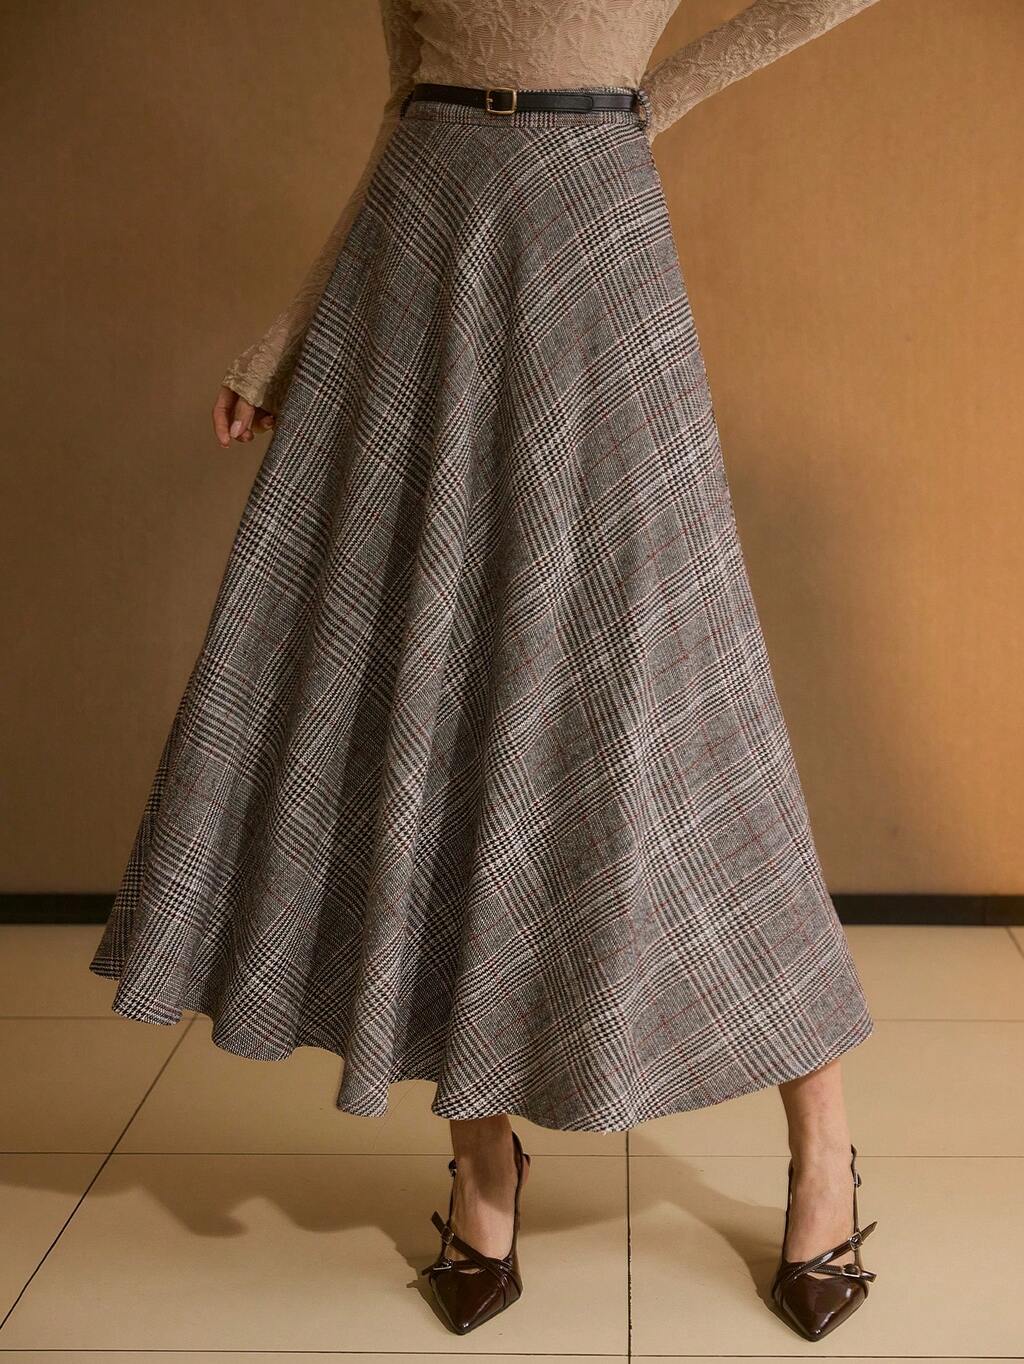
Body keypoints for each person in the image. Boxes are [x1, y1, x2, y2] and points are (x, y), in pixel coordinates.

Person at [90, 0, 885, 1342]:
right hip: (423, 249)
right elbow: (403, 106)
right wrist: (286, 335)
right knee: (435, 692)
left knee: (679, 696)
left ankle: (825, 1151)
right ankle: (480, 1158)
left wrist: (635, 106)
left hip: (594, 227)